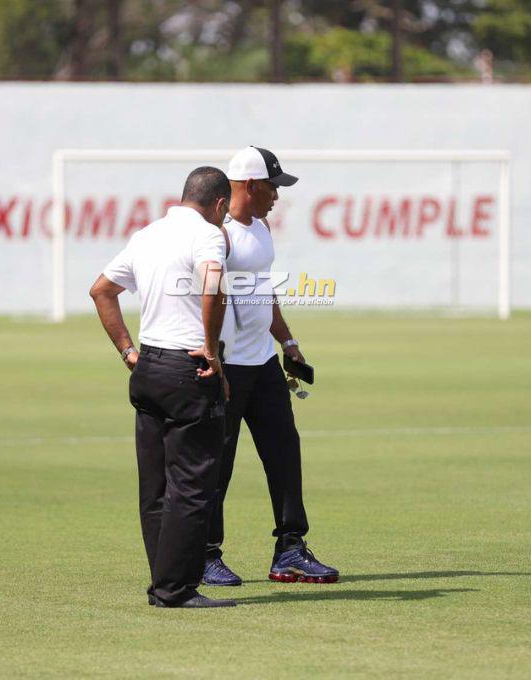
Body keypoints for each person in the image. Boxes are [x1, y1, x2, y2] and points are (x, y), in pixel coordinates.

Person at [89, 166, 235, 608]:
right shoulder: (208, 234)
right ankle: (175, 589)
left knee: (154, 488)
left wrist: (128, 353)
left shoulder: (146, 235)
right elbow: (213, 287)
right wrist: (212, 351)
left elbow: (101, 291)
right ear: (220, 205)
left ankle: (164, 581)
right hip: (187, 368)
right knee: (192, 486)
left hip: (148, 366)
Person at [203, 146, 339, 586]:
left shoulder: (261, 228)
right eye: (272, 187)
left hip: (262, 362)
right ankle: (204, 554)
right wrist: (211, 357)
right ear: (247, 185)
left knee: (285, 452)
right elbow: (203, 298)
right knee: (216, 464)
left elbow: (265, 292)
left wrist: (288, 341)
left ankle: (291, 549)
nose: (277, 196)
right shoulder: (217, 236)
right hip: (227, 367)